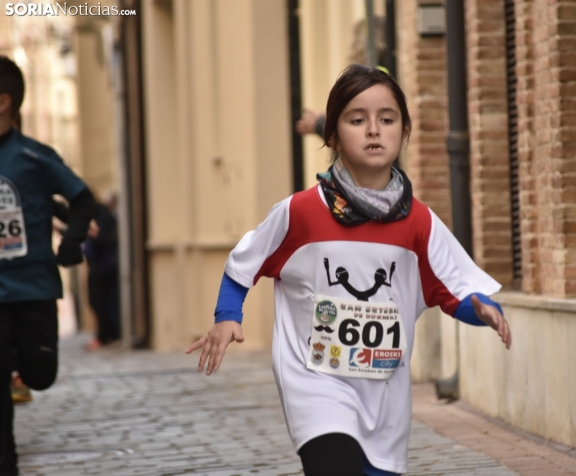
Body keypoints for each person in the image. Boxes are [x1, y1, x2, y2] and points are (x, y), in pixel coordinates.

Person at [187, 64, 511, 476]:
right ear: (333, 135)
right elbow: (242, 264)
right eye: (358, 120)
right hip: (315, 380)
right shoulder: (300, 212)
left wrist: (480, 309)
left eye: (387, 119)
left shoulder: (419, 223)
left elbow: (451, 290)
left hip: (384, 393)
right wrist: (227, 316)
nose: (374, 130)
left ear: (404, 131)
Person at [0, 56, 95, 476]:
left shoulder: (34, 157)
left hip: (34, 286)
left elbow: (82, 198)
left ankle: (22, 364)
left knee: (40, 374)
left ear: (3, 102)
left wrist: (72, 243)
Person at [83, 194, 119, 350]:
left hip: (104, 266)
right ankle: (105, 334)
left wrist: (93, 234)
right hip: (98, 265)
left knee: (101, 301)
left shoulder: (102, 216)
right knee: (96, 300)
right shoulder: (96, 215)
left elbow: (105, 238)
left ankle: (106, 335)